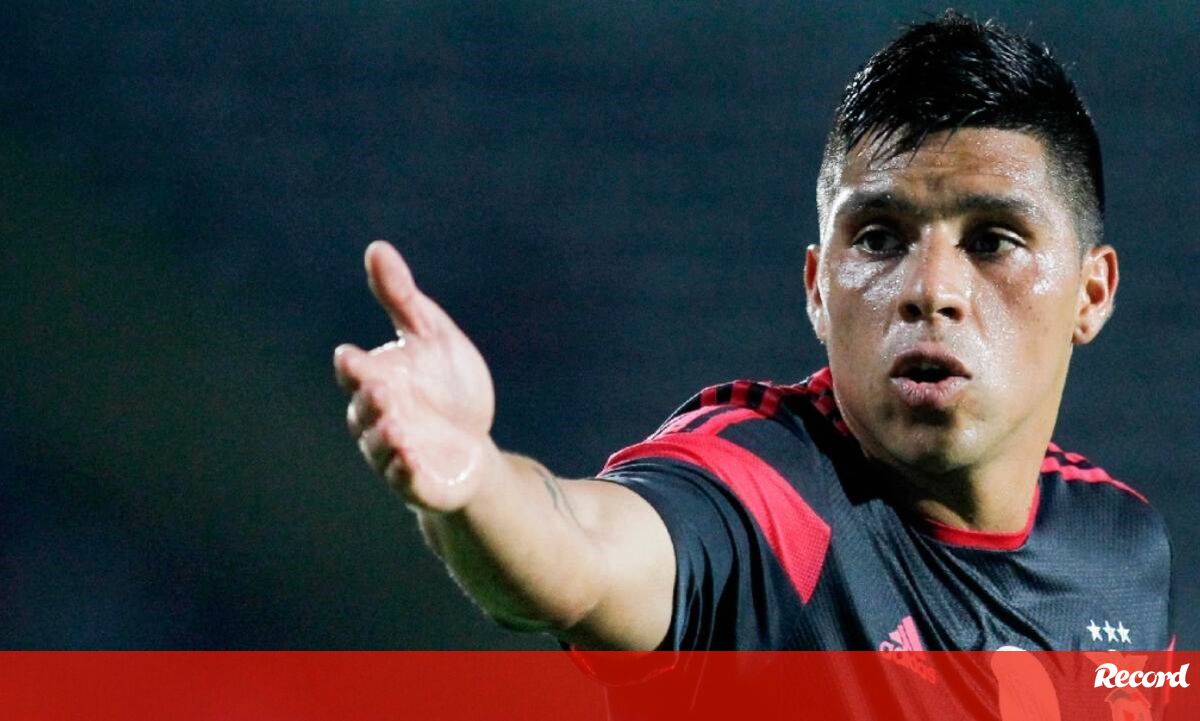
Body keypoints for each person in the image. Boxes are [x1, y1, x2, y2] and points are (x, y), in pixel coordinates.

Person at [333, 8, 1170, 677]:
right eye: (879, 238)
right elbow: (583, 556)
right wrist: (476, 484)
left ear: (1091, 293)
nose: (930, 289)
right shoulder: (761, 495)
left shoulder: (1122, 549)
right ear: (817, 287)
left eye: (991, 240)